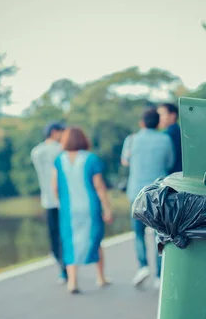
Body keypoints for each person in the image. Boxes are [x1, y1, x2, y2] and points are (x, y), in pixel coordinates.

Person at [52, 127, 113, 294]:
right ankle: (100, 277)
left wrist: (61, 202)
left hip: (68, 209)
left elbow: (55, 186)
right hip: (90, 207)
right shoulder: (91, 159)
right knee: (95, 239)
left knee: (70, 241)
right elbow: (99, 186)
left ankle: (72, 282)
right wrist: (107, 208)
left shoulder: (59, 160)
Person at [121, 108, 174, 289]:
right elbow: (169, 162)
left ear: (142, 122)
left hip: (136, 191)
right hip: (158, 192)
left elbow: (125, 161)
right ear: (158, 122)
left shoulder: (132, 139)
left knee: (138, 232)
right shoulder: (165, 139)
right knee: (159, 232)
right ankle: (159, 276)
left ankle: (143, 266)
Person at [31, 122, 67, 284]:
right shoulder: (61, 150)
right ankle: (67, 269)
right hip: (63, 200)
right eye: (61, 132)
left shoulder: (36, 152)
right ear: (54, 132)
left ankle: (62, 270)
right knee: (64, 235)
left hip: (48, 201)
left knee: (54, 236)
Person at [157, 102, 182, 174]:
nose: (158, 118)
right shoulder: (181, 132)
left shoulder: (167, 136)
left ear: (172, 115)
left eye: (161, 115)